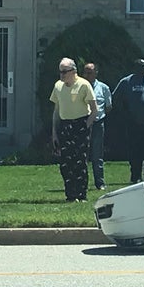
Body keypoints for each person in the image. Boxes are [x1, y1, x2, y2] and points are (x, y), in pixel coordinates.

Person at [50, 57, 98, 202]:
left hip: (80, 124)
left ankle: (81, 194)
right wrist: (54, 132)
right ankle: (70, 194)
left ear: (73, 71)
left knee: (80, 161)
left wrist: (85, 126)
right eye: (60, 72)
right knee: (65, 162)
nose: (62, 75)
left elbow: (94, 110)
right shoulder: (58, 86)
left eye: (65, 71)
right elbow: (56, 111)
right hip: (64, 125)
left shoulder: (84, 85)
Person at [111, 58, 144, 183]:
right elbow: (115, 98)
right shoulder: (126, 82)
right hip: (134, 124)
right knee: (135, 151)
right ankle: (136, 177)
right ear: (136, 68)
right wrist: (125, 113)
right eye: (142, 66)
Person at [83, 62, 112, 191]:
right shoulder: (79, 87)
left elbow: (108, 106)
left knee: (97, 154)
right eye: (85, 72)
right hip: (83, 123)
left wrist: (99, 116)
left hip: (98, 123)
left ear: (96, 73)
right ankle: (82, 182)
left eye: (90, 72)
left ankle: (99, 183)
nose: (87, 75)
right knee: (82, 154)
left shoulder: (103, 88)